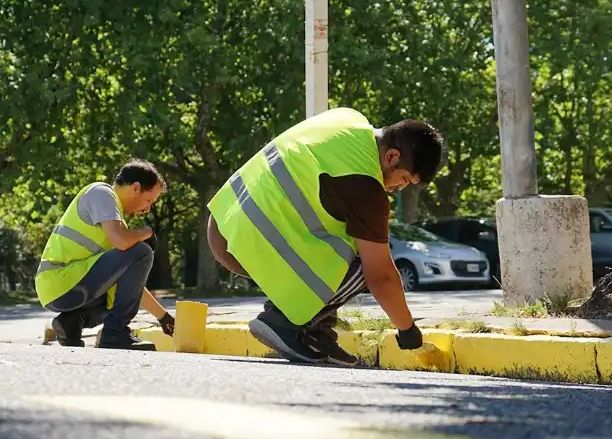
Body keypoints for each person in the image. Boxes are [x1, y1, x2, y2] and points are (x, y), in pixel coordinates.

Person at [206, 107, 445, 366]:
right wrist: (407, 330)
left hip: (225, 221)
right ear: (391, 156)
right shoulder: (365, 186)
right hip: (246, 241)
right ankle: (282, 321)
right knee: (365, 262)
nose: (399, 189)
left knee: (351, 238)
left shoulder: (348, 120)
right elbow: (381, 276)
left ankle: (317, 334)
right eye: (405, 179)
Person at [35, 160, 176, 351]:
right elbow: (122, 241)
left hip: (62, 287)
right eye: (149, 200)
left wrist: (164, 318)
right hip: (61, 281)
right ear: (135, 188)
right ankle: (115, 335)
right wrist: (147, 233)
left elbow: (131, 288)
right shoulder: (101, 193)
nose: (147, 209)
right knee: (142, 251)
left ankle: (71, 323)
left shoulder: (114, 223)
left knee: (123, 289)